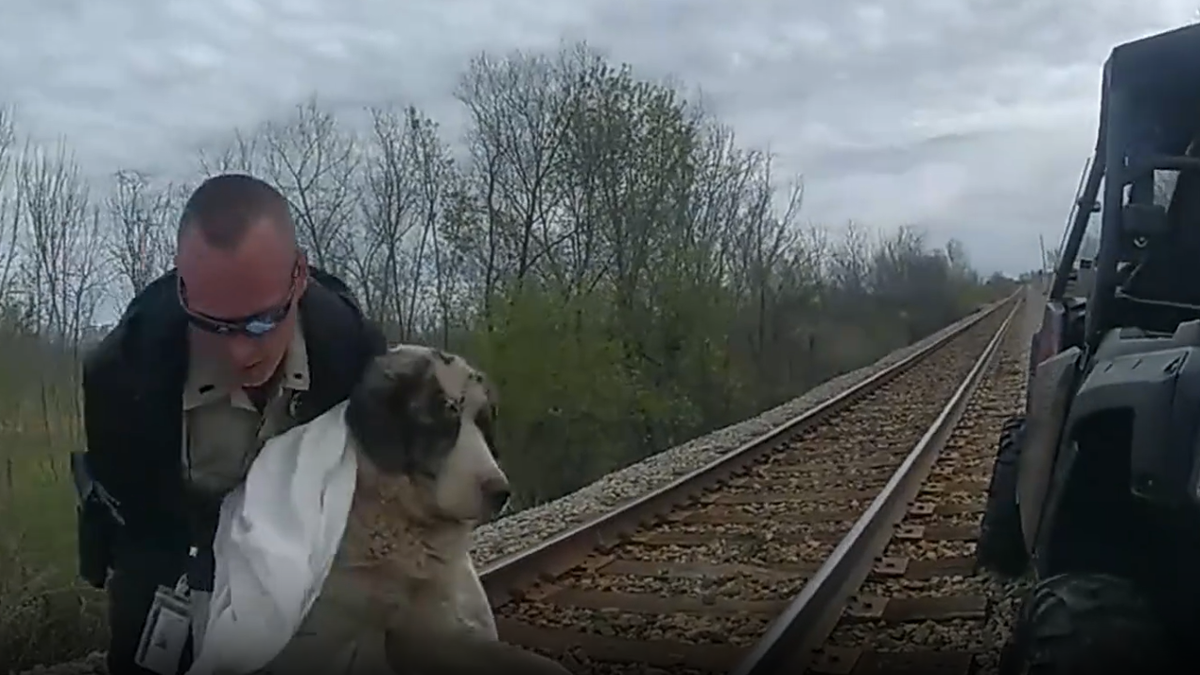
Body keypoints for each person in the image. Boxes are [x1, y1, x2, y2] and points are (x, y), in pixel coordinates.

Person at [77, 173, 387, 675]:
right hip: (176, 551)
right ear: (183, 289)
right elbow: (137, 540)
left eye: (263, 321)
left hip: (313, 556)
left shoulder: (351, 351)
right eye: (215, 325)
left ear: (299, 277)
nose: (241, 351)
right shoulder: (124, 377)